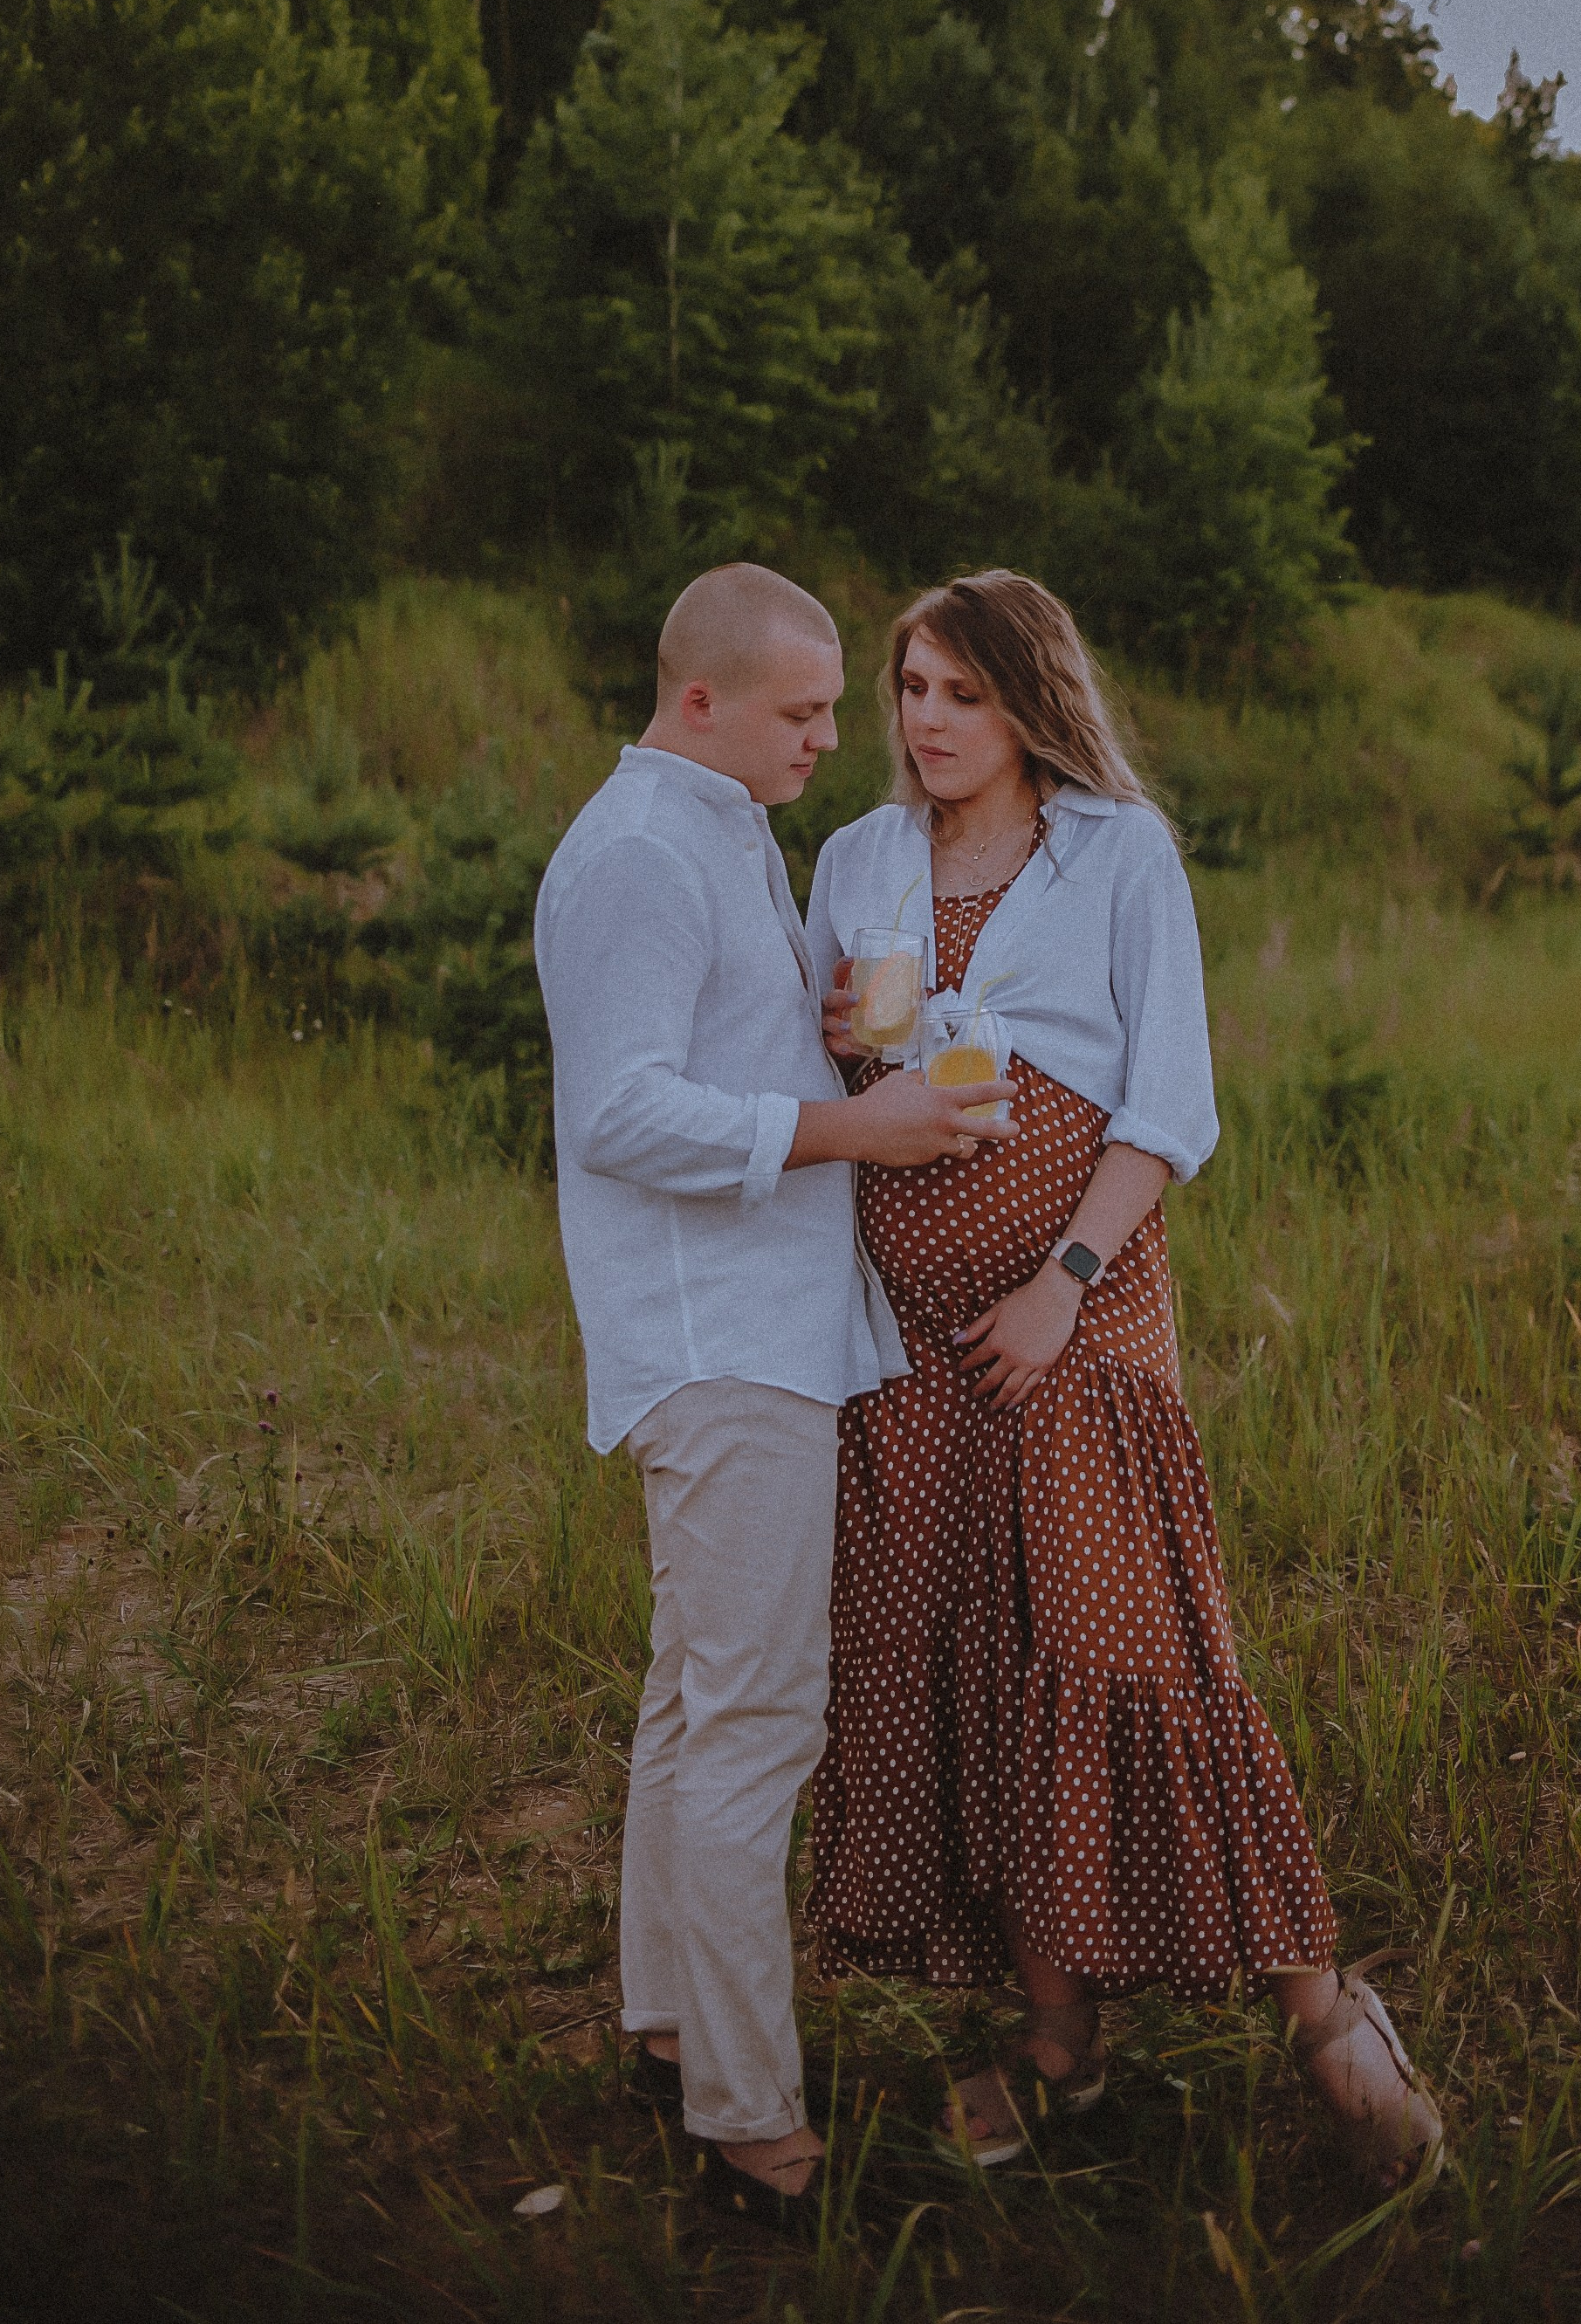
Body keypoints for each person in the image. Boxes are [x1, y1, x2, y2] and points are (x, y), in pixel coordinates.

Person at [804, 570, 1442, 2194]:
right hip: (910, 1348)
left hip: (1070, 1320)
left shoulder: (1115, 852)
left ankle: (1316, 2000)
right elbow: (831, 1088)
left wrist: (1058, 1284)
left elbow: (1167, 1103)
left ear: (1029, 700)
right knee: (973, 1657)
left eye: (959, 691)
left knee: (1131, 1645)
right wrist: (830, 1040)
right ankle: (1057, 2035)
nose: (926, 721)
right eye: (909, 689)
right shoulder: (858, 860)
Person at [533, 563, 1017, 2231]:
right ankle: (753, 2122)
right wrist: (846, 1128)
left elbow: (712, 1057)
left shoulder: (720, 822)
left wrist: (820, 1050)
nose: (840, 735)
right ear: (700, 700)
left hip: (766, 1327)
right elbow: (620, 1111)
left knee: (694, 1700)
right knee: (758, 1723)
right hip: (720, 1339)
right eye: (804, 709)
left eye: (836, 705)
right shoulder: (643, 852)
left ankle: (669, 2027)